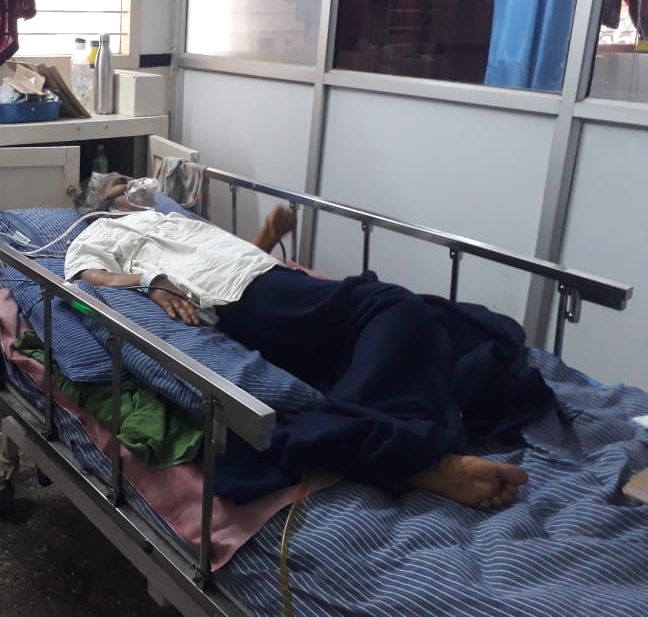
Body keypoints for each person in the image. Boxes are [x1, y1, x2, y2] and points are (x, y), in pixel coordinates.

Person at [64, 173, 553, 509]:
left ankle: (395, 450)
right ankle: (419, 454)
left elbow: (222, 262)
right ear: (103, 203)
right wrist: (150, 281)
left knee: (413, 322)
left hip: (273, 284)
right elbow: (87, 275)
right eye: (121, 183)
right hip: (251, 300)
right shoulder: (101, 229)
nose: (137, 184)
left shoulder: (174, 218)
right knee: (394, 305)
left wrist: (265, 235)